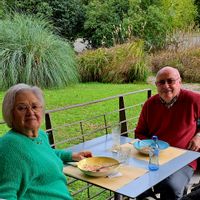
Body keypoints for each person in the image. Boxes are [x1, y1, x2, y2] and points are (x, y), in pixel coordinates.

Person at [0, 83, 92, 200]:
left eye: (35, 106)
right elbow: (4, 195)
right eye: (22, 108)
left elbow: (45, 153)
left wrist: (72, 155)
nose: (30, 112)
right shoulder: (9, 146)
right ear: (10, 113)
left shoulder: (40, 135)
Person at [135, 66, 200, 200]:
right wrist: (147, 147)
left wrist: (199, 136)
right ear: (156, 85)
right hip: (154, 157)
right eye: (161, 82)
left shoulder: (194, 100)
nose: (166, 86)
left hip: (183, 157)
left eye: (170, 81)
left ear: (179, 82)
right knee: (134, 182)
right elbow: (140, 132)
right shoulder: (149, 104)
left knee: (172, 186)